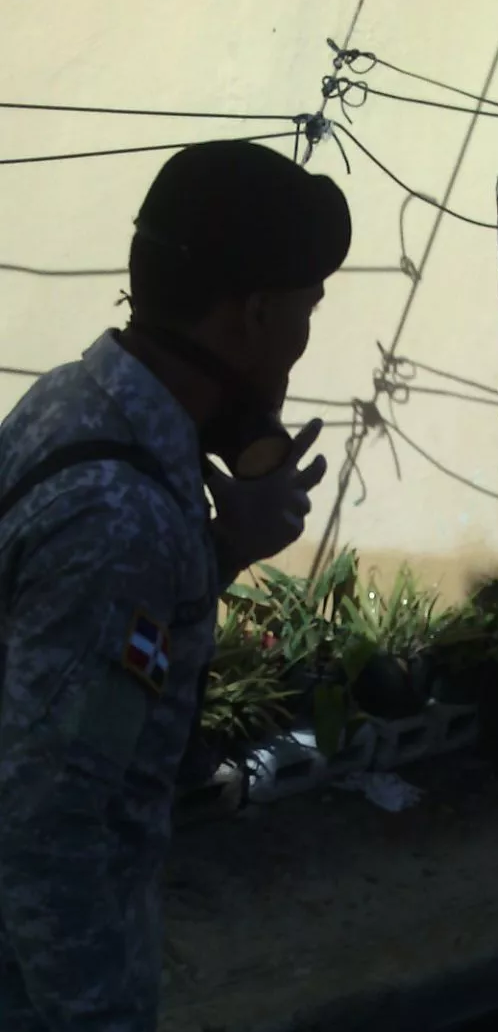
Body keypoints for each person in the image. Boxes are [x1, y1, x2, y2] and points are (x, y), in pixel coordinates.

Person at [0, 139, 352, 1030]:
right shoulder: (128, 520)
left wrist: (221, 548)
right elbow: (48, 829)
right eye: (307, 308)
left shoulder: (75, 400)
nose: (306, 339)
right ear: (256, 313)